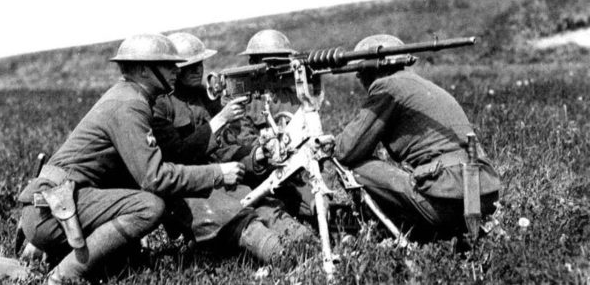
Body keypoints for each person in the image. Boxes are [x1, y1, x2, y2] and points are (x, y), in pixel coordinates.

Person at [16, 34, 245, 284]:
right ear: (144, 70)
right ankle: (61, 278)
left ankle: (41, 258)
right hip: (54, 211)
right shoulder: (129, 105)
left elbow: (166, 158)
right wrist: (217, 173)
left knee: (128, 260)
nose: (175, 71)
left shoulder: (134, 98)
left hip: (60, 205)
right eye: (168, 65)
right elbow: (154, 178)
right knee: (149, 207)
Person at [150, 32, 313, 263]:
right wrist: (219, 121)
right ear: (174, 69)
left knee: (263, 202)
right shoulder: (160, 105)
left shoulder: (208, 99)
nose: (197, 70)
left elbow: (225, 148)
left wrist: (256, 155)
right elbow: (176, 155)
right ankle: (281, 257)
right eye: (189, 66)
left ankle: (307, 245)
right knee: (240, 219)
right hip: (187, 187)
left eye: (199, 63)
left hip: (220, 178)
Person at [334, 34, 501, 241]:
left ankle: (383, 234)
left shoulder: (386, 86)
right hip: (483, 190)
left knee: (351, 168)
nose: (359, 78)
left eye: (359, 71)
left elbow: (347, 151)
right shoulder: (420, 85)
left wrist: (330, 144)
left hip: (448, 196)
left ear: (372, 69)